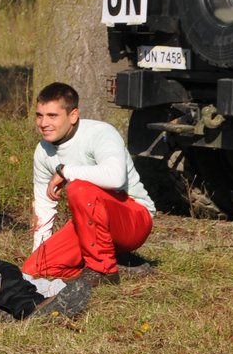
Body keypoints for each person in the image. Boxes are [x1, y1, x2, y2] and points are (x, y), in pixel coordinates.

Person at [23, 82, 156, 284]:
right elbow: (44, 207)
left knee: (79, 188)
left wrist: (66, 171)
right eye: (39, 115)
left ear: (73, 115)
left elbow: (115, 177)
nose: (43, 123)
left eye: (52, 116)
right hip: (90, 223)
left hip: (133, 217)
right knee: (34, 268)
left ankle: (104, 270)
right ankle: (117, 264)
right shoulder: (43, 151)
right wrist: (39, 251)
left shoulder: (100, 133)